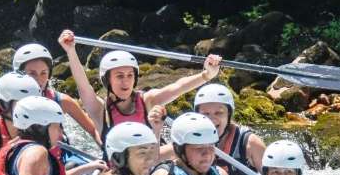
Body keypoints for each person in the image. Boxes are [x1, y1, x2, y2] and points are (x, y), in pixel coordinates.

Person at [59, 29, 222, 142]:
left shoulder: (147, 101)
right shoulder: (99, 109)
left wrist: (206, 75)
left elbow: (178, 87)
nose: (126, 81)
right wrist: (71, 51)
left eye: (130, 75)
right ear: (107, 80)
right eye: (119, 76)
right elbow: (82, 84)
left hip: (148, 170)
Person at [193, 83, 266, 175]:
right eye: (205, 114)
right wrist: (156, 129)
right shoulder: (188, 143)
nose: (212, 120)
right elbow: (153, 161)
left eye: (218, 113)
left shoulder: (250, 143)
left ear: (229, 115)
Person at [12, 40, 100, 143]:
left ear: (49, 75)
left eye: (43, 73)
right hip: (26, 154)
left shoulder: (62, 101)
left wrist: (109, 154)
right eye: (32, 73)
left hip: (58, 155)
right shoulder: (8, 102)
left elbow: (93, 130)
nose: (39, 80)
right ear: (20, 75)